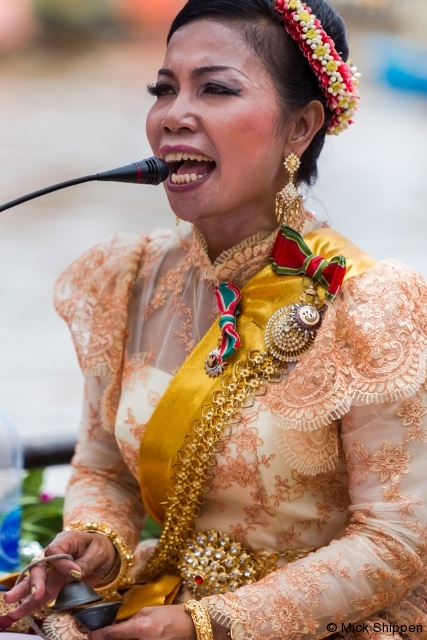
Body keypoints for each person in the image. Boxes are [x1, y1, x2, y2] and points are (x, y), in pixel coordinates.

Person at [2, 0, 427, 638]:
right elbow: (103, 470)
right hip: (154, 606)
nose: (174, 116)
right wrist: (94, 543)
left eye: (217, 89)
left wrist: (208, 624)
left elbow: (397, 540)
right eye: (163, 90)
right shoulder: (132, 280)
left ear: (301, 126)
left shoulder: (367, 304)